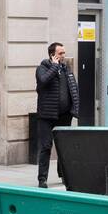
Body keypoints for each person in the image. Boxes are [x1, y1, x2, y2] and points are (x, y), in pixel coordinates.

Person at [34, 42, 79, 189]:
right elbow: (43, 81)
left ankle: (64, 176)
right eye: (60, 53)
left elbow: (73, 88)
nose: (63, 56)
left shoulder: (66, 69)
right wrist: (54, 66)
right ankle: (42, 179)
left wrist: (74, 108)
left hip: (64, 115)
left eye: (64, 53)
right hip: (46, 116)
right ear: (52, 55)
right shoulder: (42, 68)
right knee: (46, 147)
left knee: (64, 148)